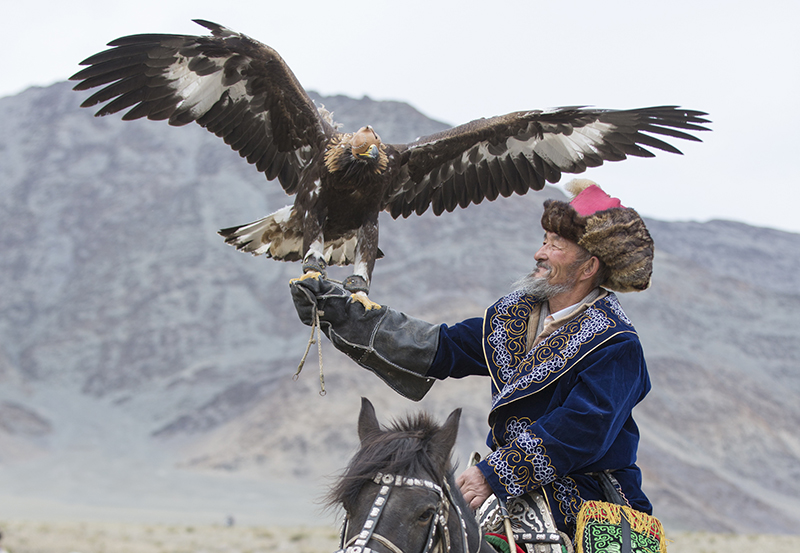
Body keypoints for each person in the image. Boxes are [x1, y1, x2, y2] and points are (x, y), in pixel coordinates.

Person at [290, 179, 655, 539]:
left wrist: (493, 474)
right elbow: (441, 348)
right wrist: (347, 315)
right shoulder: (513, 318)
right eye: (543, 241)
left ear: (588, 267)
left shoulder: (615, 343)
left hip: (585, 503)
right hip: (507, 492)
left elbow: (582, 428)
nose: (539, 254)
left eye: (555, 246)